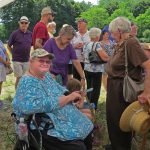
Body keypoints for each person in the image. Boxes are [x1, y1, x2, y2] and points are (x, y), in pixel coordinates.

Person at [12, 48, 93, 150]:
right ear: (31, 62)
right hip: (41, 124)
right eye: (41, 61)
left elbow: (59, 88)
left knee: (87, 126)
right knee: (78, 147)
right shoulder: (27, 82)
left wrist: (71, 95)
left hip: (56, 116)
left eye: (48, 62)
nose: (45, 63)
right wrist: (67, 98)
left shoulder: (46, 76)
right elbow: (28, 107)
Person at [105, 17, 150, 150]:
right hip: (114, 87)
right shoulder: (121, 43)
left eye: (113, 32)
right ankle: (116, 145)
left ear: (119, 31)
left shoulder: (130, 43)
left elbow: (148, 66)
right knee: (113, 119)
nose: (112, 36)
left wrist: (146, 92)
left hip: (122, 89)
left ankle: (121, 147)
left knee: (121, 121)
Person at [83, 27, 109, 109]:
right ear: (98, 35)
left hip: (87, 68)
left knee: (90, 87)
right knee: (96, 89)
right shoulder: (97, 44)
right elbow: (104, 57)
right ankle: (93, 107)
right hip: (96, 69)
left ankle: (88, 103)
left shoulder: (86, 44)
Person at [7, 16, 32, 89]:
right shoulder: (15, 33)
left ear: (28, 24)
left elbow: (31, 45)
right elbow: (8, 46)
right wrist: (13, 54)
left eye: (25, 23)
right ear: (19, 23)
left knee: (25, 79)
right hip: (17, 60)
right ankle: (17, 96)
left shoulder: (30, 34)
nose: (24, 24)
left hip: (26, 60)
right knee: (19, 78)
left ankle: (23, 94)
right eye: (22, 23)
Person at [99, 26, 114, 91]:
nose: (108, 36)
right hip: (104, 61)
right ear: (103, 35)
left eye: (108, 34)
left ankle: (110, 88)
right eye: (106, 34)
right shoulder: (100, 43)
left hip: (112, 60)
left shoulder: (111, 41)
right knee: (104, 75)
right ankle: (106, 89)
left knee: (111, 74)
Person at [0, 40, 10, 108]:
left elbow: (5, 51)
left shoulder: (0, 41)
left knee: (0, 82)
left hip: (2, 65)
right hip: (1, 64)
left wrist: (8, 59)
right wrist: (5, 62)